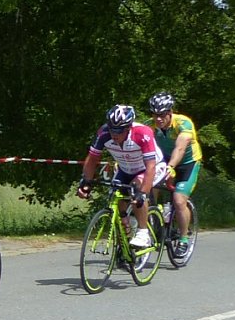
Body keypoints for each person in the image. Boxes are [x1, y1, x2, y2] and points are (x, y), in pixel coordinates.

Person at [77, 105, 168, 248]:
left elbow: (150, 166)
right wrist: (86, 182)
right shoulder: (103, 133)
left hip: (152, 166)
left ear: (128, 128)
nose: (114, 134)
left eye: (119, 130)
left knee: (137, 188)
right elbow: (92, 159)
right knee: (115, 193)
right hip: (126, 169)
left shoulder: (142, 133)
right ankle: (124, 232)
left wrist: (142, 193)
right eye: (112, 129)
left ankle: (143, 233)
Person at [147, 92, 202, 257]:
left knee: (179, 201)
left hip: (187, 163)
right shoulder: (150, 126)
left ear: (170, 112)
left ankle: (184, 238)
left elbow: (180, 148)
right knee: (148, 192)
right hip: (163, 162)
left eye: (162, 115)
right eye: (155, 114)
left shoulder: (183, 123)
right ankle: (154, 223)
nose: (158, 119)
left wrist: (171, 166)